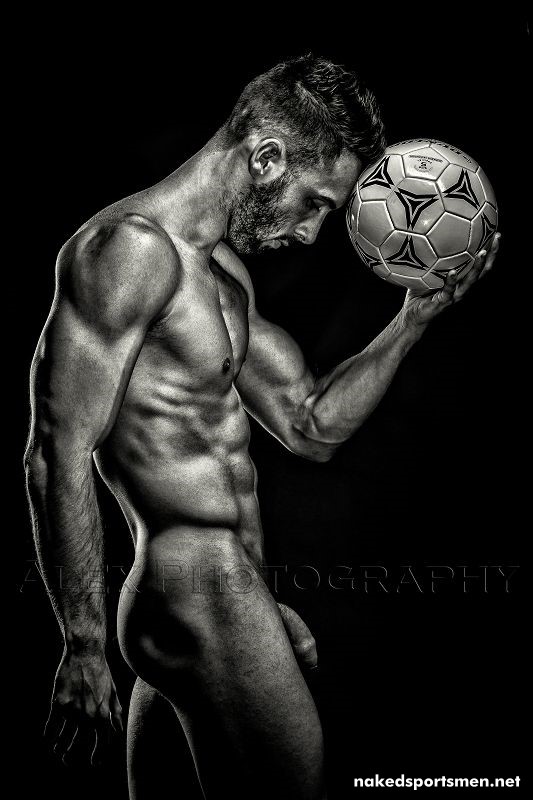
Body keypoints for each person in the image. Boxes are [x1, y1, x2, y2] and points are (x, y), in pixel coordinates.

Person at [24, 54, 499, 800]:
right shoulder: (127, 251)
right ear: (267, 157)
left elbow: (310, 424)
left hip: (205, 597)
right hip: (203, 590)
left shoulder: (219, 274)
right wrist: (81, 645)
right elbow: (57, 453)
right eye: (314, 204)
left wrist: (412, 319)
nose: (311, 233)